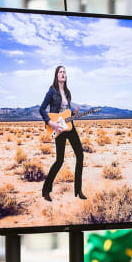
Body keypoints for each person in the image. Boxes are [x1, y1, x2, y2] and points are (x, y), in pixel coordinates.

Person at [39, 65, 86, 201]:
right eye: (60, 72)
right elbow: (42, 109)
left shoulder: (67, 92)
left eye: (64, 72)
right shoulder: (52, 91)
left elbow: (66, 111)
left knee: (80, 155)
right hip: (58, 128)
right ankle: (46, 190)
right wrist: (50, 122)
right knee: (59, 161)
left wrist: (73, 113)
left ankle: (78, 190)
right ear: (56, 75)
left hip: (69, 127)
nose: (63, 74)